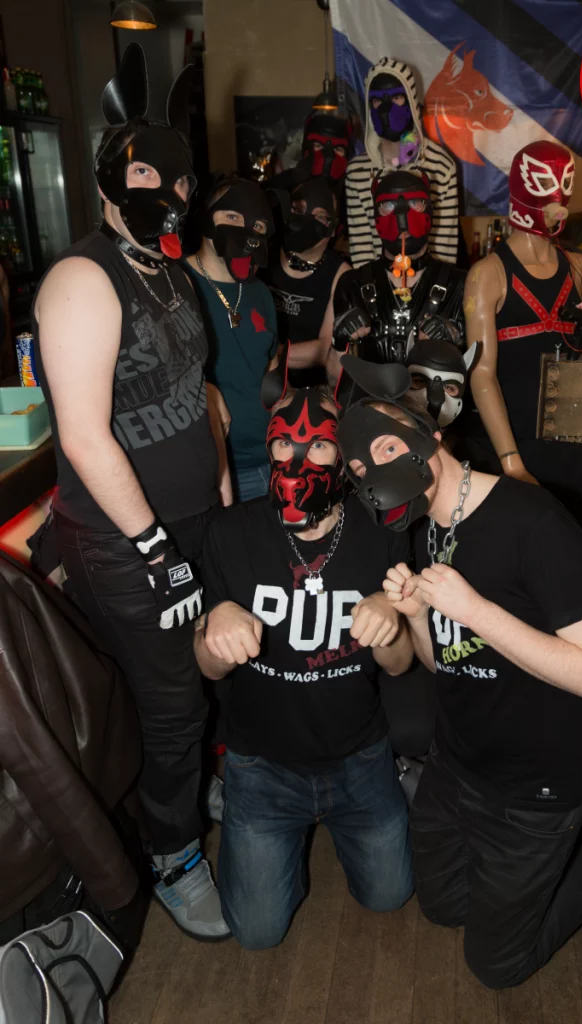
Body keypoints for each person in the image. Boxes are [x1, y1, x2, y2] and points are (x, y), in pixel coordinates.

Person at [335, 357, 582, 990]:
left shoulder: (535, 520)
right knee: (444, 908)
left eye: (386, 448)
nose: (375, 472)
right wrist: (417, 616)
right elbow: (442, 659)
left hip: (535, 792)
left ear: (430, 435)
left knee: (496, 966)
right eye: (360, 470)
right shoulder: (423, 529)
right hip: (456, 766)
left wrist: (475, 609)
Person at [32, 44, 229, 940]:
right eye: (149, 175)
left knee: (198, 677)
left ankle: (176, 793)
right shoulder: (84, 279)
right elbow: (81, 434)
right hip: (125, 541)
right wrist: (156, 550)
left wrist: (217, 481)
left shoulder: (172, 270)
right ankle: (172, 851)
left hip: (189, 521)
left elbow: (200, 390)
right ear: (112, 179)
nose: (170, 193)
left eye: (179, 179)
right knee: (170, 701)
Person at [195, 376, 414, 949]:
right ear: (266, 446)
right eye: (282, 444)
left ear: (343, 453)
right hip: (262, 766)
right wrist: (215, 624)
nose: (297, 459)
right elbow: (209, 669)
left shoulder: (381, 533)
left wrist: (390, 620)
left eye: (318, 445)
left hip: (359, 756)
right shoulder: (229, 532)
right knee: (257, 932)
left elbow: (399, 666)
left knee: (391, 894)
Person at [458, 140, 582, 576]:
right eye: (546, 188)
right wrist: (510, 460)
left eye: (564, 188)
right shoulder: (488, 275)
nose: (557, 203)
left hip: (571, 427)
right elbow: (481, 373)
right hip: (516, 436)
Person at [187, 175, 279, 502]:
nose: (244, 230)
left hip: (270, 461)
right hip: (211, 469)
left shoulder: (260, 293)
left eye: (256, 224)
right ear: (206, 217)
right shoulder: (175, 286)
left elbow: (271, 371)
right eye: (232, 216)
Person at [334, 170, 466, 367]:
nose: (402, 216)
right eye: (388, 206)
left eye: (415, 203)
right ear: (375, 215)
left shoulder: (460, 285)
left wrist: (457, 337)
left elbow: (478, 370)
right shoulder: (351, 284)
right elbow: (334, 377)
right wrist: (339, 342)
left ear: (429, 211)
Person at [346, 58, 459, 268]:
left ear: (411, 100)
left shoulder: (440, 166)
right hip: (379, 282)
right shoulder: (357, 172)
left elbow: (445, 245)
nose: (386, 108)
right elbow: (361, 248)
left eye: (396, 97)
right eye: (377, 100)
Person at [259, 177, 349, 388]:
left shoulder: (340, 273)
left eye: (320, 216)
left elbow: (324, 349)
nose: (306, 221)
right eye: (298, 210)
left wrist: (268, 353)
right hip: (258, 379)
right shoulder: (264, 256)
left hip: (310, 389)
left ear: (333, 228)